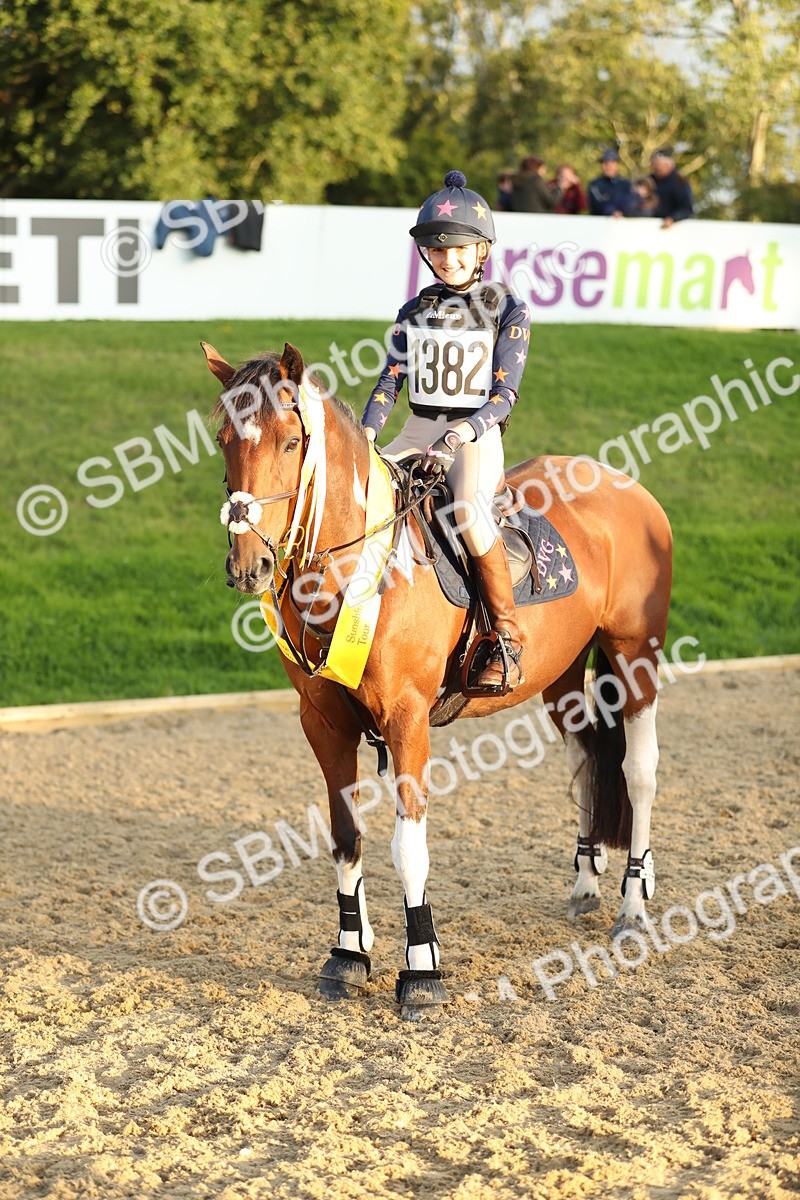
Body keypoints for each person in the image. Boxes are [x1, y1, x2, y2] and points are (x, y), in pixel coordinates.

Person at [361, 170, 530, 691]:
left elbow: (504, 399)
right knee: (363, 492)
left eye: (458, 249)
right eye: (436, 250)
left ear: (481, 251)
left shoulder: (506, 308)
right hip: (417, 425)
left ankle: (506, 636)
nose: (447, 258)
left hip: (474, 434)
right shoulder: (414, 311)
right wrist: (367, 435)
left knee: (469, 514)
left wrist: (458, 437)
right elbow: (391, 380)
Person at [650, 147, 694, 226]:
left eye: (659, 164)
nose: (655, 167)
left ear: (670, 165)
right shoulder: (649, 181)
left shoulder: (679, 182)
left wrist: (673, 218)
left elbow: (686, 209)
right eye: (654, 164)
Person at [587, 149, 632, 217]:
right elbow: (597, 203)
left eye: (612, 163)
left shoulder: (626, 184)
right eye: (605, 163)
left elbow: (631, 202)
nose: (608, 166)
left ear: (617, 164)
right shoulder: (595, 184)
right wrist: (611, 211)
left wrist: (622, 212)